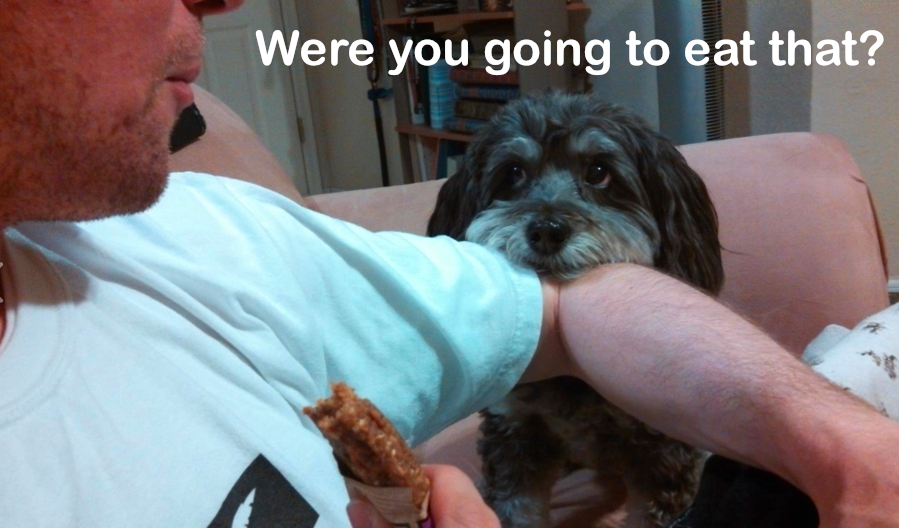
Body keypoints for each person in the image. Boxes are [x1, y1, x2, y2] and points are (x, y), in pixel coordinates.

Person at [0, 1, 897, 527]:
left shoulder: (196, 239)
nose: (222, 2)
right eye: (516, 181)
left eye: (594, 179)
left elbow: (559, 310)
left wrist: (849, 450)